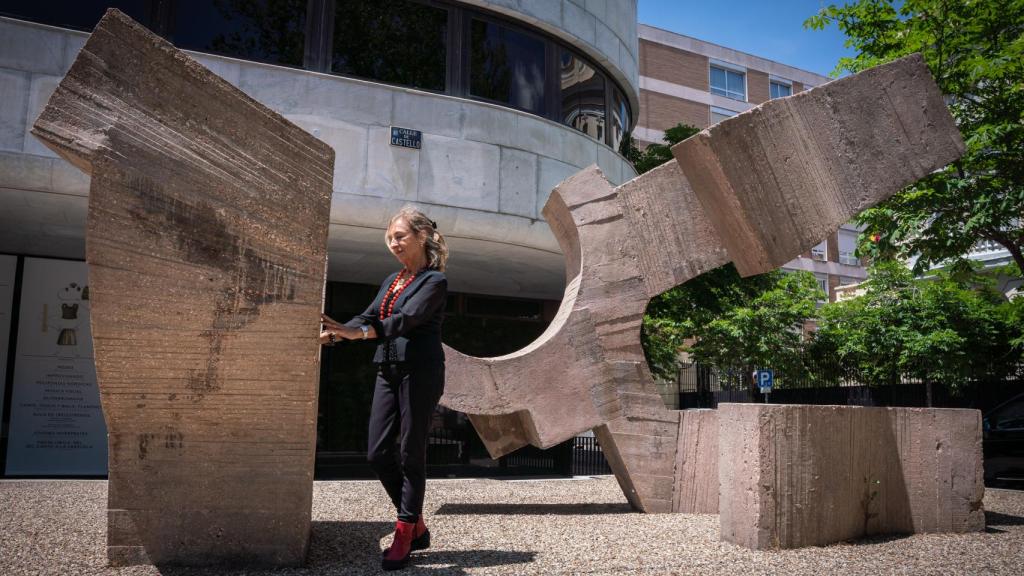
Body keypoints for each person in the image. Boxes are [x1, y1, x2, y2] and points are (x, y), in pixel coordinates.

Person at [320, 206, 448, 571]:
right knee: (377, 452)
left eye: (400, 236)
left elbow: (403, 320)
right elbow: (370, 315)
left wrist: (358, 333)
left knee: (410, 452)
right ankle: (417, 524)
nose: (393, 243)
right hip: (387, 370)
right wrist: (334, 333)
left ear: (421, 236)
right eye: (390, 238)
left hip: (420, 372)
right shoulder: (393, 279)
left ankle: (405, 531)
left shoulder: (434, 282)